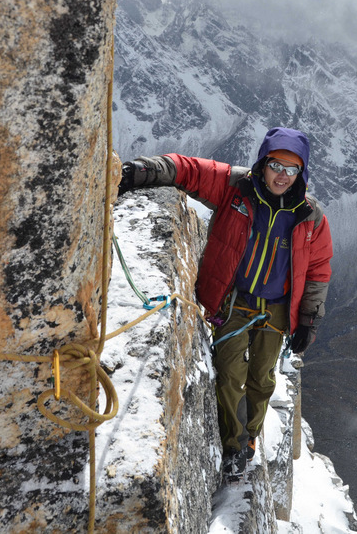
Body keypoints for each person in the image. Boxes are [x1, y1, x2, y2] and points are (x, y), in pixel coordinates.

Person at [118, 127, 333, 479]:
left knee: (262, 379)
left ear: (302, 174)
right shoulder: (235, 187)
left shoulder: (310, 216)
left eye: (292, 170)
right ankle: (235, 446)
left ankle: (250, 437)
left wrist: (309, 319)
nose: (283, 176)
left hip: (277, 309)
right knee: (231, 374)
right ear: (264, 163)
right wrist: (144, 171)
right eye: (277, 165)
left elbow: (318, 270)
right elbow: (187, 169)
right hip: (236, 301)